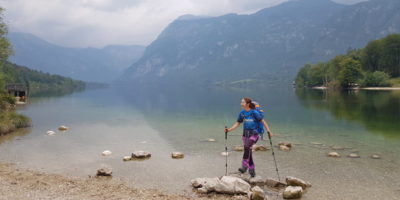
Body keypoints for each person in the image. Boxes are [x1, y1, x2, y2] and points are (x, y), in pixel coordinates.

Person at [225, 97, 272, 177]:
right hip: (245, 135)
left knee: (247, 147)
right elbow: (238, 123)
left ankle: (244, 166)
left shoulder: (254, 112)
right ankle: (252, 170)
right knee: (248, 151)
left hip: (255, 134)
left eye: (242, 102)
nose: (241, 103)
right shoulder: (242, 113)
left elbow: (263, 121)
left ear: (247, 104)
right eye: (241, 102)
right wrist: (229, 130)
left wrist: (268, 131)